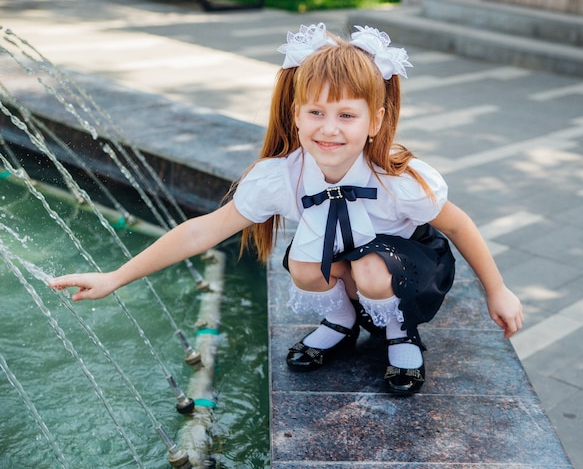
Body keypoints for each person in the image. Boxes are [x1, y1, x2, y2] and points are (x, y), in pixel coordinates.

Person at [49, 23, 523, 395]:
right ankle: (340, 321)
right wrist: (114, 277)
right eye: (315, 112)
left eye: (347, 115)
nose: (329, 130)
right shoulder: (284, 175)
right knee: (300, 262)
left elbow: (459, 226)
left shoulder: (400, 179)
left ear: (376, 121)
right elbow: (202, 231)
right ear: (295, 115)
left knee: (372, 269)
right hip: (341, 254)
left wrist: (497, 290)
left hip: (405, 263)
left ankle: (399, 334)